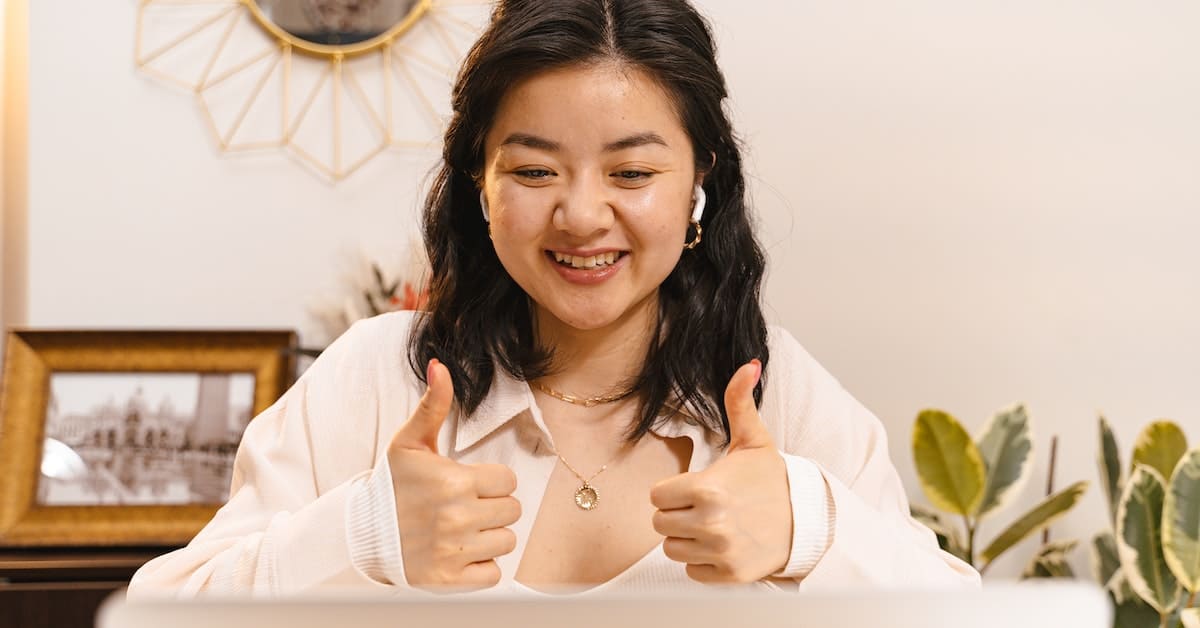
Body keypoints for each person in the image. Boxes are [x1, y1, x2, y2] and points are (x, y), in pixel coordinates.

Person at [129, 0, 979, 596]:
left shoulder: (772, 388)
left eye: (633, 173)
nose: (579, 215)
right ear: (479, 184)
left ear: (698, 188)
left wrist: (813, 527)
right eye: (534, 170)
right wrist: (359, 535)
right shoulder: (375, 378)